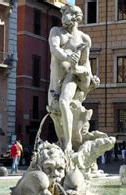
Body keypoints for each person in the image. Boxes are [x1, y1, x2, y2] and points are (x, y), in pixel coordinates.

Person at [48, 5, 94, 154]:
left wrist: (90, 77)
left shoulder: (83, 38)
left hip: (72, 76)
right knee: (55, 114)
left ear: (75, 17)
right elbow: (54, 48)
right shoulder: (56, 32)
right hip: (55, 80)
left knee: (64, 102)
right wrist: (67, 55)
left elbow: (85, 62)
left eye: (66, 14)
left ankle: (68, 144)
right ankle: (63, 142)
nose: (63, 17)